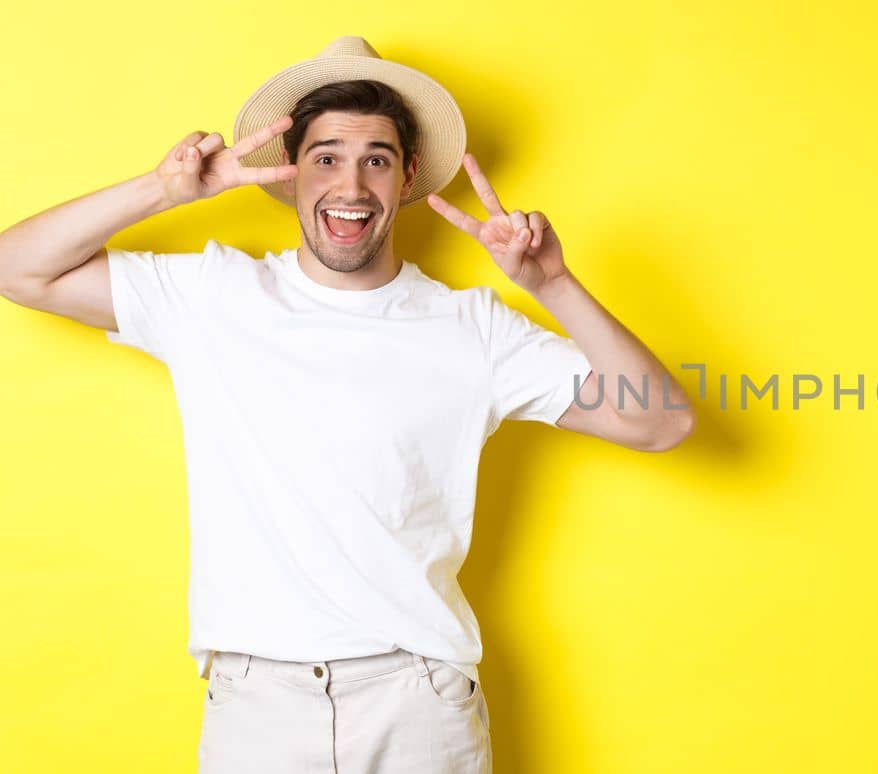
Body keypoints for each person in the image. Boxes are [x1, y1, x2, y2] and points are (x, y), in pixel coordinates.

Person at [0, 36, 694, 773]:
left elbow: (660, 420)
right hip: (255, 708)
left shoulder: (474, 329)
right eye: (326, 156)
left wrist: (553, 284)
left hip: (419, 704)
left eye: (377, 159)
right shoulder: (210, 296)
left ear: (409, 177)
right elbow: (18, 268)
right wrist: (166, 191)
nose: (352, 187)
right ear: (291, 170)